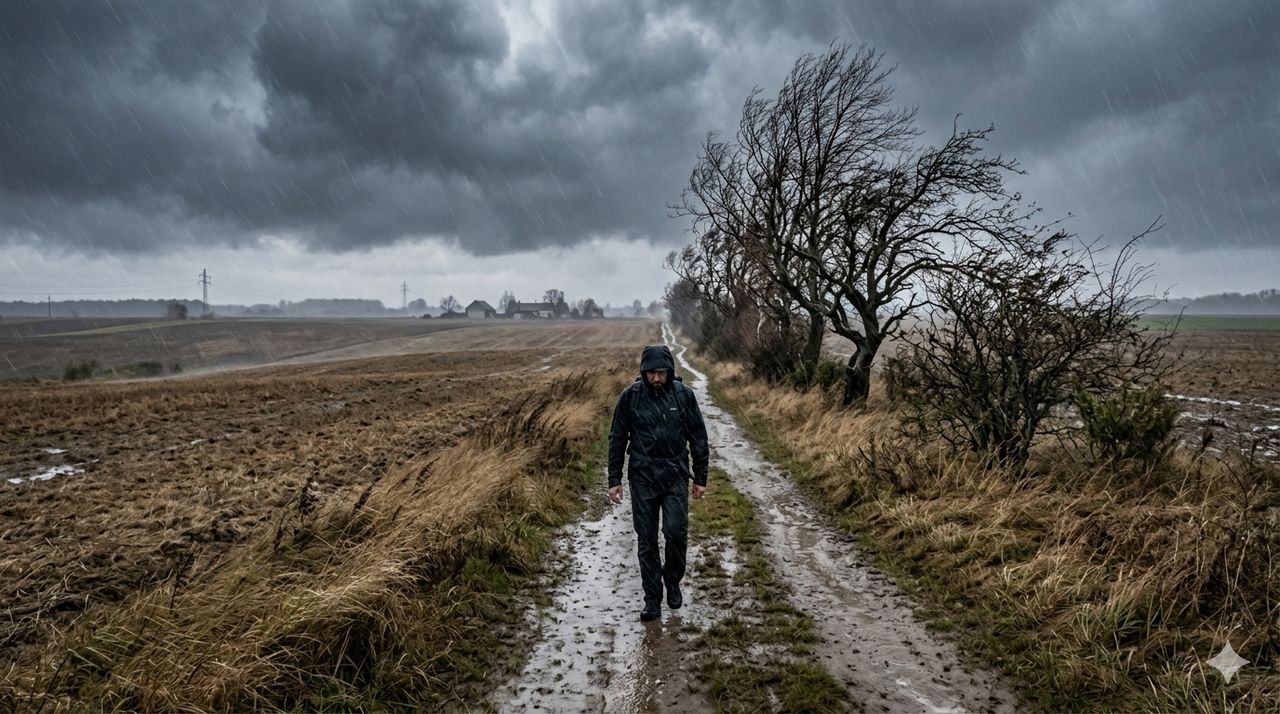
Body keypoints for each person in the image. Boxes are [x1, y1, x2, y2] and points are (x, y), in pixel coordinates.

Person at [608, 344, 710, 622]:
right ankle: (652, 599)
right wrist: (614, 479)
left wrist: (700, 477)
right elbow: (617, 438)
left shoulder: (684, 396)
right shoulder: (630, 397)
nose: (656, 377)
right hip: (642, 477)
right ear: (643, 372)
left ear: (669, 372)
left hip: (675, 475)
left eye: (661, 372)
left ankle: (672, 580)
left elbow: (699, 437)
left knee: (676, 533)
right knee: (647, 540)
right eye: (651, 372)